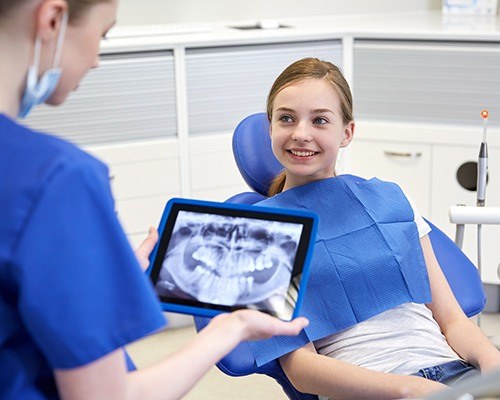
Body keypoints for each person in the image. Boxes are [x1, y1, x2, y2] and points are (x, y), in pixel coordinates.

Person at [0, 1, 309, 399]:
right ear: (53, 18)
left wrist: (93, 280)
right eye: (103, 34)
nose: (96, 58)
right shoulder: (58, 178)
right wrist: (230, 329)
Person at [251, 57, 500, 399]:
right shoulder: (261, 232)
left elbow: (452, 321)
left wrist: (491, 365)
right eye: (286, 119)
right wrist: (409, 389)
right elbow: (300, 369)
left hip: (454, 377)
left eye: (320, 120)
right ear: (271, 127)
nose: (301, 134)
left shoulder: (390, 200)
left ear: (347, 132)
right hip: (375, 388)